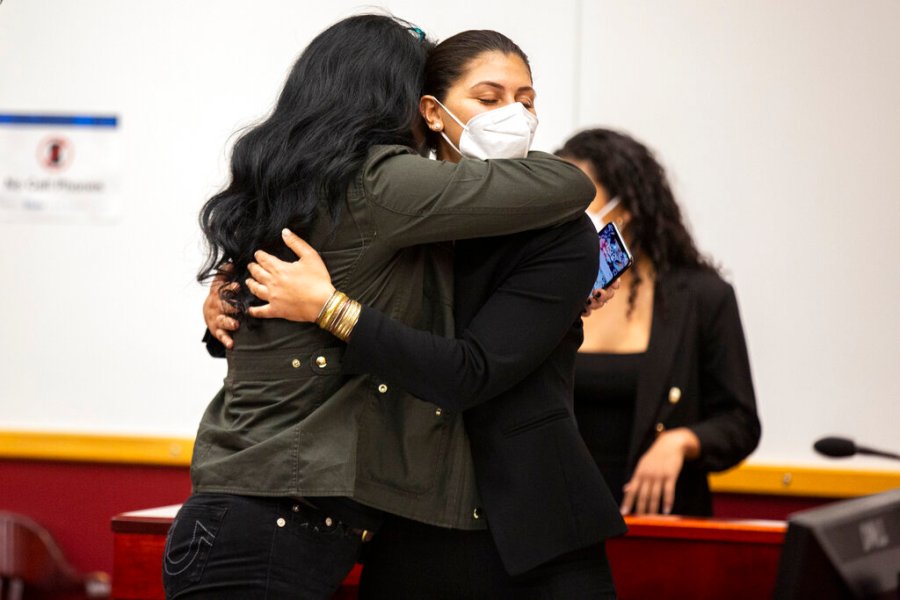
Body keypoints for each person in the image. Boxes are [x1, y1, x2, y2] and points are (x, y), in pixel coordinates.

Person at [177, 15, 601, 600]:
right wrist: (323, 308)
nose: (515, 116)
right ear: (421, 106)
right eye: (488, 97)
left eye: (527, 100)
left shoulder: (302, 182)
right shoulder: (384, 186)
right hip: (289, 514)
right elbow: (570, 184)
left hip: (301, 507)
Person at [556, 128, 762, 517]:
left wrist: (682, 441)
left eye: (580, 200)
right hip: (561, 520)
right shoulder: (549, 292)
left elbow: (740, 422)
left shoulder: (702, 297)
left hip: (660, 521)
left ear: (627, 207)